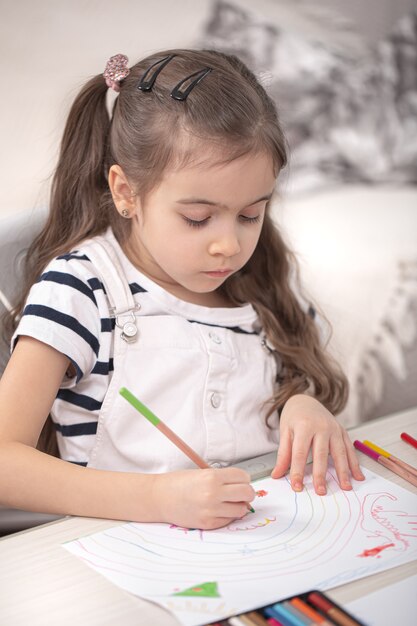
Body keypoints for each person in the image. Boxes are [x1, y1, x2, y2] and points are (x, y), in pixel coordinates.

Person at [0, 49, 364, 531]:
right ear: (127, 192)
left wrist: (302, 405)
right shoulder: (81, 291)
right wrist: (157, 498)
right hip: (121, 554)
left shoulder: (260, 288)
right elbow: (5, 462)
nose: (228, 245)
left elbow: (298, 383)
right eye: (197, 218)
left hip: (264, 543)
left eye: (251, 214)